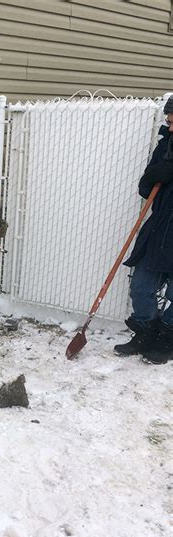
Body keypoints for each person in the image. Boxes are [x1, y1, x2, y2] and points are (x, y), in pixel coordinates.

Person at [114, 96, 173, 364]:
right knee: (141, 286)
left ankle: (167, 339)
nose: (170, 128)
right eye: (168, 122)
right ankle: (145, 333)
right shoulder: (165, 147)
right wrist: (155, 175)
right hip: (159, 229)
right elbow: (145, 188)